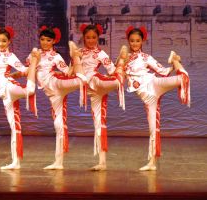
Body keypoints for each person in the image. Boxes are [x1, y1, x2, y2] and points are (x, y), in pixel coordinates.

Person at [125, 26, 190, 171]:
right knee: (152, 129)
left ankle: (175, 59)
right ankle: (152, 163)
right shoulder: (124, 59)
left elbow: (164, 71)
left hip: (154, 84)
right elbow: (117, 73)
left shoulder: (146, 57)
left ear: (142, 41)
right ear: (128, 42)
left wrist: (172, 65)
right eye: (132, 41)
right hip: (148, 98)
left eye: (137, 41)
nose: (135, 43)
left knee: (182, 79)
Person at [27, 26, 87, 170]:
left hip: (55, 83)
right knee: (58, 126)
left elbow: (67, 72)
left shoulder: (56, 56)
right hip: (52, 94)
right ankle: (58, 162)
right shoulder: (35, 54)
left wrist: (74, 61)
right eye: (42, 39)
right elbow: (27, 70)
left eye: (48, 40)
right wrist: (15, 74)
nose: (45, 42)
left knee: (82, 80)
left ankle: (76, 56)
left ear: (53, 41)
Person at [0, 26, 40, 170]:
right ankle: (16, 162)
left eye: (4, 41)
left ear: (9, 42)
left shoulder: (10, 56)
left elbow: (23, 70)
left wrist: (32, 65)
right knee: (14, 126)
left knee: (30, 90)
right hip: (4, 94)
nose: (1, 44)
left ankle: (35, 60)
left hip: (8, 87)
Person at [75, 23, 128, 171]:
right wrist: (75, 58)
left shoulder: (101, 54)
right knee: (99, 125)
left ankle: (122, 61)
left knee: (117, 81)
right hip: (92, 92)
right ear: (83, 38)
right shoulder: (79, 52)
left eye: (93, 37)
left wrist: (117, 67)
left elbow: (111, 71)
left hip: (95, 80)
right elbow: (70, 71)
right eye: (88, 37)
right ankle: (102, 162)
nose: (91, 40)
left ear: (98, 38)